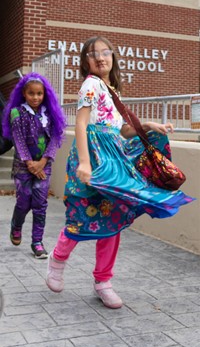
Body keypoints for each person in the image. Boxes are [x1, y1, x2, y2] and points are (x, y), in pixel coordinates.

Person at [46, 36, 194, 307]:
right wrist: (85, 162)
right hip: (93, 156)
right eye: (93, 54)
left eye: (105, 53)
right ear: (85, 62)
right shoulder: (90, 84)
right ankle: (57, 260)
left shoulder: (111, 89)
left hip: (113, 157)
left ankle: (103, 281)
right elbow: (80, 124)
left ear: (113, 58)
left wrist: (147, 125)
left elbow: (121, 131)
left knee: (113, 217)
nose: (100, 58)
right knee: (81, 214)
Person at [2, 72, 66, 258]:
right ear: (24, 93)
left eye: (39, 94)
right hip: (23, 165)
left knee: (40, 203)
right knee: (24, 200)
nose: (36, 97)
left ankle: (37, 242)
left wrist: (43, 162)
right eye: (31, 93)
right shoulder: (16, 113)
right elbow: (19, 140)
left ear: (44, 94)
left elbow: (55, 139)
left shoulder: (50, 114)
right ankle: (16, 225)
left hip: (44, 165)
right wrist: (30, 164)